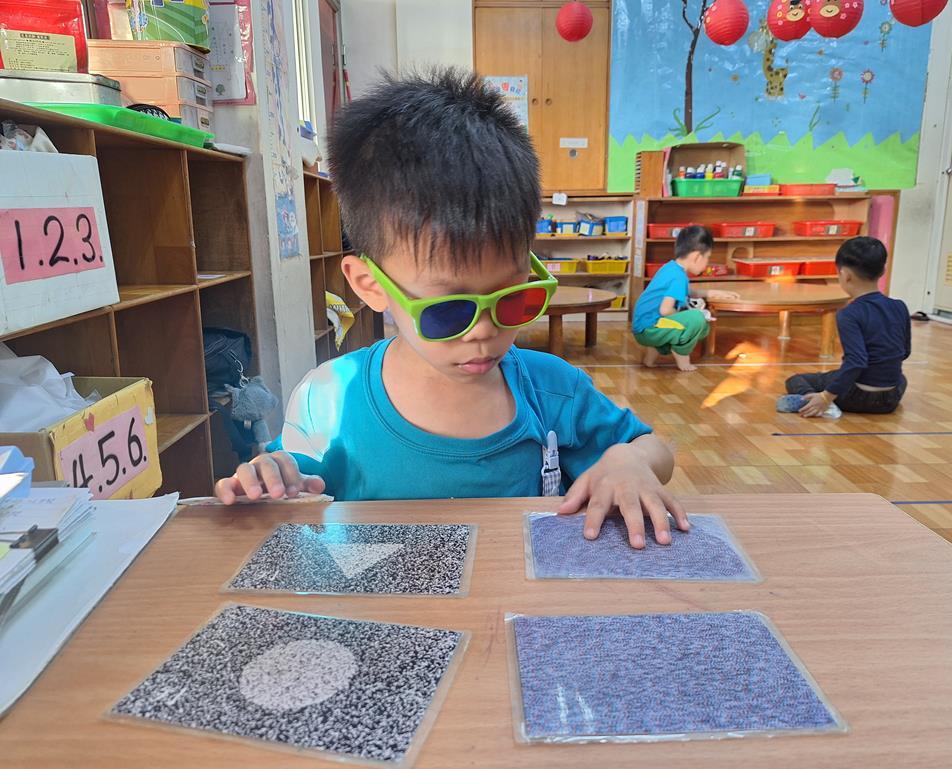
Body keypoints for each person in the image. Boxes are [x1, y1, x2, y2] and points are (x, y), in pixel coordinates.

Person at [213, 69, 687, 549]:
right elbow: (292, 485)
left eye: (512, 299)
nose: (483, 332)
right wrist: (270, 477)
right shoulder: (329, 402)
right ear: (370, 285)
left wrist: (630, 461)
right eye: (448, 311)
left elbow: (654, 449)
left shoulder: (552, 390)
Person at [779, 236, 911, 417]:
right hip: (890, 398)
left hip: (855, 396)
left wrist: (826, 396)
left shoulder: (849, 313)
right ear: (883, 271)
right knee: (900, 378)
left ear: (845, 274)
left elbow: (857, 362)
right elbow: (905, 352)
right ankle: (822, 399)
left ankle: (815, 402)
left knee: (796, 380)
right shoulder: (900, 306)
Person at [631, 225, 738, 371]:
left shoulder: (670, 268)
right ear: (697, 257)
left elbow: (689, 292)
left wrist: (713, 292)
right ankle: (683, 360)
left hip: (643, 326)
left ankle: (649, 360)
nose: (707, 262)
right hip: (650, 328)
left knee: (680, 320)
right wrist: (685, 316)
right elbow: (665, 310)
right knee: (697, 319)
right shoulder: (679, 277)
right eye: (707, 257)